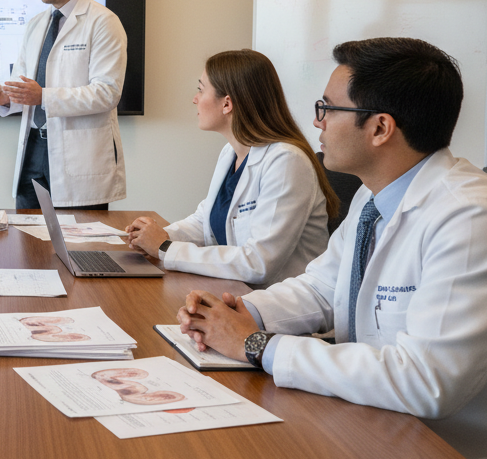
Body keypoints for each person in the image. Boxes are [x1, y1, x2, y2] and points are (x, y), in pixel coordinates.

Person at [176, 37, 487, 459]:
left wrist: (258, 345)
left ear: (380, 128)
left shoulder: (474, 220)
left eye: (327, 108)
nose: (317, 122)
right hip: (396, 439)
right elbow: (322, 287)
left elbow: (425, 381)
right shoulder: (373, 198)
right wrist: (240, 311)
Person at [124, 50, 336, 286]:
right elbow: (204, 220)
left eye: (201, 89)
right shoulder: (231, 153)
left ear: (227, 103)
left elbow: (258, 263)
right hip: (233, 291)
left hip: (278, 308)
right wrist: (155, 237)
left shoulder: (286, 162)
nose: (195, 99)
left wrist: (165, 247)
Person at [0, 0, 128, 210]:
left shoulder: (104, 23)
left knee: (79, 251)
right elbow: (24, 85)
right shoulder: (36, 24)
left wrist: (43, 96)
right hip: (32, 153)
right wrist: (6, 97)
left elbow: (107, 93)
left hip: (79, 159)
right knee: (28, 249)